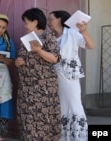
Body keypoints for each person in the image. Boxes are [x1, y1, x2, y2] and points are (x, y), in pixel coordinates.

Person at [15, 8, 61, 141]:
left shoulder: (48, 37)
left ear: (35, 22)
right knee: (27, 121)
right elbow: (22, 59)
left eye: (26, 22)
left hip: (43, 89)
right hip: (26, 89)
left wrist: (39, 51)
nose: (24, 26)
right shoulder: (25, 41)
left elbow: (54, 58)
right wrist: (18, 62)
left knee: (43, 121)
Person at [47, 10, 95, 141]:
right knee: (61, 107)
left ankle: (79, 137)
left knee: (74, 106)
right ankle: (64, 137)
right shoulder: (48, 37)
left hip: (69, 76)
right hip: (53, 77)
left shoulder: (72, 33)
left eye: (51, 19)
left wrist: (84, 32)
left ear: (60, 19)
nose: (48, 22)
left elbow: (91, 45)